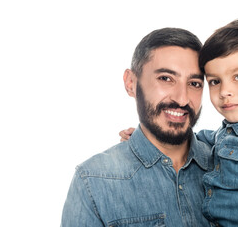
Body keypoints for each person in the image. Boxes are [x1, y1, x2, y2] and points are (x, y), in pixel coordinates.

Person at [121, 18, 238, 226]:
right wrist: (149, 138)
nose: (224, 92)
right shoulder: (233, 132)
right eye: (215, 81)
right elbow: (202, 139)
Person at [61, 27, 213, 226]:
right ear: (131, 83)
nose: (182, 99)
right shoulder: (93, 180)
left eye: (194, 83)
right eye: (166, 78)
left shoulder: (229, 165)